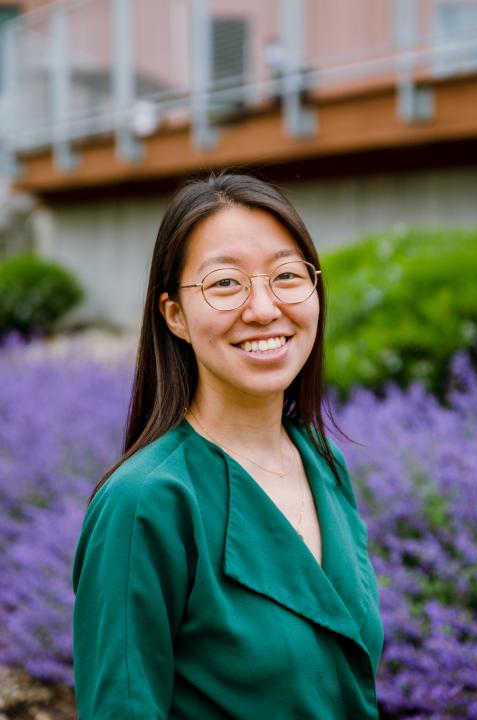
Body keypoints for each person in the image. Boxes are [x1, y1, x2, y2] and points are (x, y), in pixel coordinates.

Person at [72, 172, 384, 719]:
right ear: (175, 316)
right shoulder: (146, 502)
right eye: (224, 283)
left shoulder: (323, 466)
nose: (264, 309)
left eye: (287, 275)